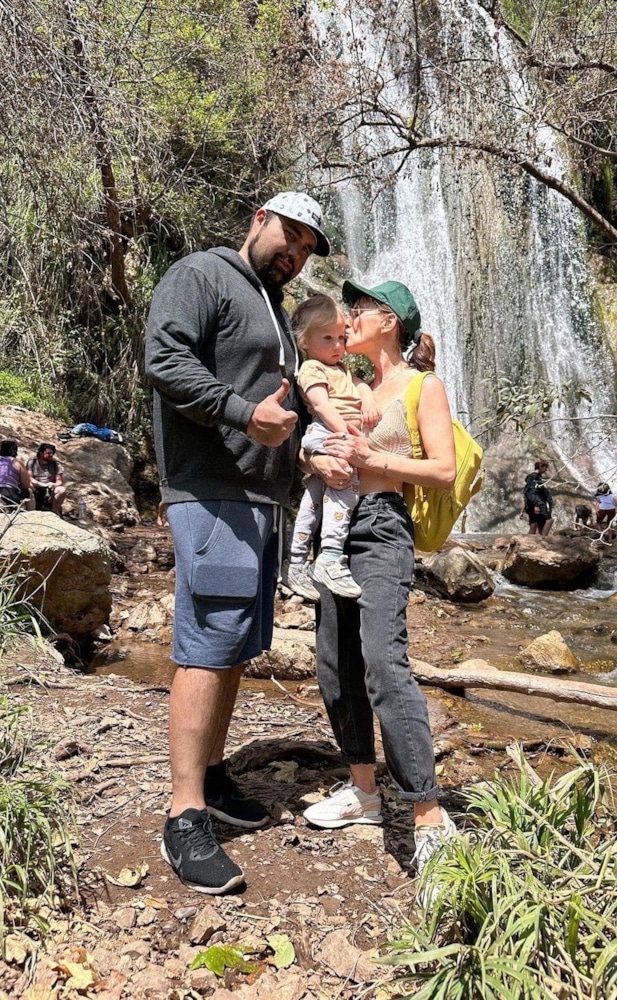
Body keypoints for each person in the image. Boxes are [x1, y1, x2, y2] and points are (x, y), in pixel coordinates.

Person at [144, 191, 333, 895]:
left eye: (309, 248)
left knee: (233, 643)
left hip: (259, 497)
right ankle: (184, 814)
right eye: (292, 235)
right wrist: (239, 411)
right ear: (260, 218)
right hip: (211, 489)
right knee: (208, 639)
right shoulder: (203, 275)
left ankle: (215, 777)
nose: (298, 252)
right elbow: (164, 361)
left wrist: (316, 448)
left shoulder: (278, 313)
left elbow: (282, 409)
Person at [301, 278, 458, 875]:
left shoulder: (422, 385)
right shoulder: (351, 385)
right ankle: (364, 790)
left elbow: (441, 470)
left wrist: (372, 460)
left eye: (360, 310)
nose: (348, 320)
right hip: (334, 526)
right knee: (334, 661)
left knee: (384, 662)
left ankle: (427, 814)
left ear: (389, 321)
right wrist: (313, 456)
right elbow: (313, 438)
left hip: (383, 528)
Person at [284, 294, 380, 602]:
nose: (338, 346)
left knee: (313, 502)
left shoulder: (340, 369)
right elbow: (321, 404)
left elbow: (361, 384)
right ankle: (329, 556)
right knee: (345, 490)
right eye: (328, 338)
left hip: (329, 433)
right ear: (304, 342)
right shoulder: (312, 368)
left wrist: (368, 398)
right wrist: (349, 433)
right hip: (327, 432)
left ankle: (296, 562)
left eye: (341, 337)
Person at [0, 440, 30, 508]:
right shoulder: (17, 463)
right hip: (7, 492)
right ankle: (31, 513)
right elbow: (26, 485)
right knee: (28, 492)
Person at [25, 443, 66, 516]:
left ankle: (54, 512)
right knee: (28, 487)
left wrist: (54, 484)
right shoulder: (32, 462)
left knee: (62, 490)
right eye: (48, 453)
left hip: (50, 490)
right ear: (41, 453)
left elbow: (59, 481)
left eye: (52, 453)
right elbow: (29, 477)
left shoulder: (56, 464)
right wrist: (40, 484)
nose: (51, 455)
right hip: (36, 488)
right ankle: (31, 514)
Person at [521, 458, 553, 536]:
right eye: (546, 467)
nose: (546, 470)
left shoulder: (536, 477)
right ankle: (544, 540)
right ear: (541, 466)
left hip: (532, 504)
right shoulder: (533, 477)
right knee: (549, 520)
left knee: (534, 525)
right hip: (537, 503)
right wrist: (536, 505)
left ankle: (526, 542)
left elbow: (526, 493)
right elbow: (531, 492)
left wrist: (523, 510)